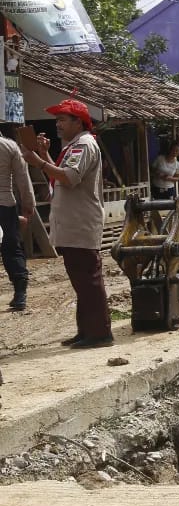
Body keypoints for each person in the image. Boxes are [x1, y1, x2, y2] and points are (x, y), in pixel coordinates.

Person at [21, 99, 113, 347]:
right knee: (82, 281)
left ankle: (99, 333)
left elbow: (70, 178)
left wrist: (38, 162)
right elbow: (59, 177)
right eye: (57, 120)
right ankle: (87, 330)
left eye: (62, 119)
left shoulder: (82, 145)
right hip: (74, 223)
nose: (57, 124)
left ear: (78, 122)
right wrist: (44, 155)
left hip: (80, 222)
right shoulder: (75, 145)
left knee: (88, 280)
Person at [0, 128, 35, 311]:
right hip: (5, 205)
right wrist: (29, 204)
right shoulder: (9, 146)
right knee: (12, 248)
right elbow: (23, 177)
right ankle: (20, 293)